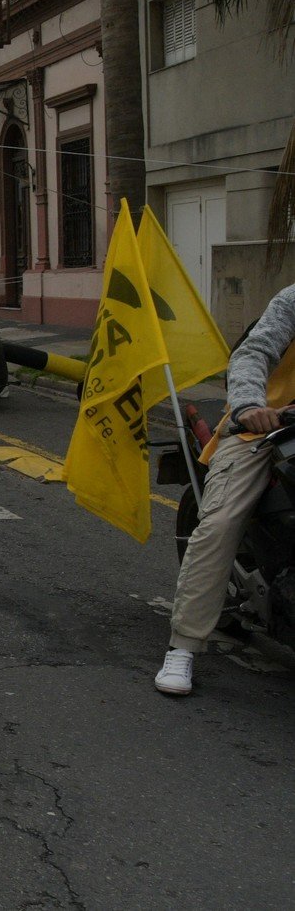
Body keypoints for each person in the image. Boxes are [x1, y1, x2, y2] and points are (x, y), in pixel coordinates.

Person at [155, 284, 295, 695]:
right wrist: (250, 405)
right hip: (269, 425)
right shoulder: (291, 300)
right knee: (219, 522)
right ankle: (183, 646)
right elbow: (254, 353)